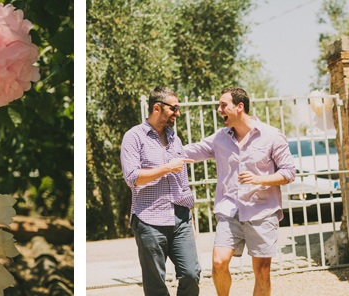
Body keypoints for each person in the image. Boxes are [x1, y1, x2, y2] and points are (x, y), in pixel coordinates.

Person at [184, 87, 295, 296]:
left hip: (262, 212)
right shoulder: (219, 138)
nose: (219, 110)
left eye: (223, 105)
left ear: (239, 106)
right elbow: (191, 151)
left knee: (262, 271)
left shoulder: (271, 135)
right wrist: (160, 149)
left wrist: (260, 180)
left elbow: (289, 173)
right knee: (218, 262)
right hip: (229, 211)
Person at [121, 87, 201, 296]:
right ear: (157, 108)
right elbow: (132, 178)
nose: (178, 113)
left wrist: (190, 219)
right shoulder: (134, 137)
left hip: (180, 218)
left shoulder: (175, 139)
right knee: (156, 285)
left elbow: (183, 182)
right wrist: (167, 168)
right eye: (174, 108)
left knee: (192, 274)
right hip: (149, 219)